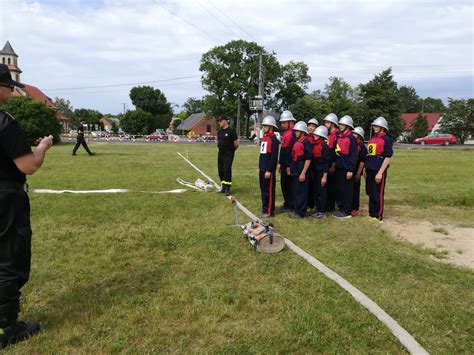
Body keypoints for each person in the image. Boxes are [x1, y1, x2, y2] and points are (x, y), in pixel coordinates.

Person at [0, 63, 53, 348]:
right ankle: (6, 328)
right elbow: (28, 165)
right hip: (6, 198)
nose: (11, 92)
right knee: (9, 260)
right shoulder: (5, 122)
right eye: (8, 87)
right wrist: (42, 147)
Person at [365, 117, 393, 223]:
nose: (374, 128)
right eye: (374, 126)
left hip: (378, 170)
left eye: (376, 126)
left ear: (382, 127)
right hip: (369, 169)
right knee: (370, 192)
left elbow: (388, 157)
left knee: (378, 194)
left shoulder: (386, 139)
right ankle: (371, 214)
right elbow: (369, 155)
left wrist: (380, 172)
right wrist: (365, 169)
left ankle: (378, 216)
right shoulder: (372, 139)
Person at [333, 115, 357, 219]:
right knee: (340, 189)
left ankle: (347, 211)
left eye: (342, 124)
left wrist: (350, 170)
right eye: (340, 124)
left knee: (347, 190)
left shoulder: (351, 138)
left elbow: (353, 155)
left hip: (347, 168)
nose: (340, 126)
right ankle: (341, 209)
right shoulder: (339, 136)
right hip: (339, 167)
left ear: (348, 126)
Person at [289, 121, 312, 219]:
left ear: (303, 132)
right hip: (295, 170)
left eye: (298, 131)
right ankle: (296, 210)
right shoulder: (297, 141)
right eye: (296, 131)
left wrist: (303, 173)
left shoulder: (306, 142)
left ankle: (301, 212)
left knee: (301, 193)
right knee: (295, 191)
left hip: (301, 171)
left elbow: (308, 158)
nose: (296, 133)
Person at [258, 116, 280, 218]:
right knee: (263, 190)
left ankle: (270, 211)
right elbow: (262, 154)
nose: (263, 128)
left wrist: (269, 170)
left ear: (271, 127)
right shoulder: (264, 138)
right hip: (262, 169)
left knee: (269, 191)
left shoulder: (274, 140)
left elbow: (273, 157)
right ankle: (264, 209)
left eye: (265, 126)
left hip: (268, 171)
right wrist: (260, 167)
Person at [310, 126, 331, 219]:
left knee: (321, 193)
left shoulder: (325, 147)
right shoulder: (314, 145)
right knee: (316, 192)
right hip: (315, 172)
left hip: (322, 172)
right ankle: (318, 210)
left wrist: (324, 176)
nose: (314, 135)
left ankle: (322, 211)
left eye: (316, 134)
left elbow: (327, 162)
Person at [278, 110, 296, 212]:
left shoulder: (293, 133)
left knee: (289, 185)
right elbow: (283, 150)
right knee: (284, 184)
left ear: (290, 122)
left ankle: (291, 204)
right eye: (282, 122)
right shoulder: (286, 133)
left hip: (289, 165)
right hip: (284, 164)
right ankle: (287, 203)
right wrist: (280, 163)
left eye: (284, 122)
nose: (282, 124)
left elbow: (291, 151)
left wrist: (289, 165)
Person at [217, 116, 239, 196]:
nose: (219, 123)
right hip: (220, 154)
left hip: (228, 154)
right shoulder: (219, 132)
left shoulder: (231, 131)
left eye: (220, 121)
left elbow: (236, 143)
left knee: (227, 170)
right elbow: (218, 141)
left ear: (224, 121)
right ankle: (223, 186)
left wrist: (231, 151)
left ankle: (227, 188)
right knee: (221, 170)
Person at [323, 113, 339, 212]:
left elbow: (335, 152)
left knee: (333, 185)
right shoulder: (328, 135)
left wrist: (333, 165)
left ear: (332, 124)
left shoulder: (337, 135)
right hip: (327, 162)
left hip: (333, 163)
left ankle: (331, 205)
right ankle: (328, 204)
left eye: (327, 122)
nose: (325, 124)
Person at [351, 127, 367, 216]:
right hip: (350, 169)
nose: (353, 135)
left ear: (360, 136)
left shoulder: (362, 147)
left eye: (355, 134)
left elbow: (362, 161)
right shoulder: (352, 145)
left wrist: (358, 173)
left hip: (356, 171)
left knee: (355, 190)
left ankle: (355, 208)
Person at [306, 118, 318, 211]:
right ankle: (308, 202)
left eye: (313, 126)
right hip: (307, 164)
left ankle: (313, 203)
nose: (310, 127)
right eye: (309, 125)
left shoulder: (317, 137)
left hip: (314, 164)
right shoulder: (306, 136)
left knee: (314, 184)